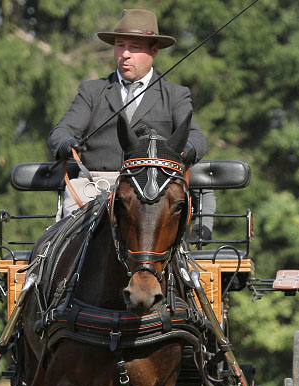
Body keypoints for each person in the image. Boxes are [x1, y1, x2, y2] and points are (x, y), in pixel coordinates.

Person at [48, 8, 215, 238]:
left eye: (134, 48)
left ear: (153, 51)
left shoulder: (175, 94)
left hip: (153, 188)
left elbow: (196, 137)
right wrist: (66, 143)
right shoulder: (92, 92)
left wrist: (182, 153)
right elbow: (61, 131)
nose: (125, 54)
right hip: (97, 187)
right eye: (120, 45)